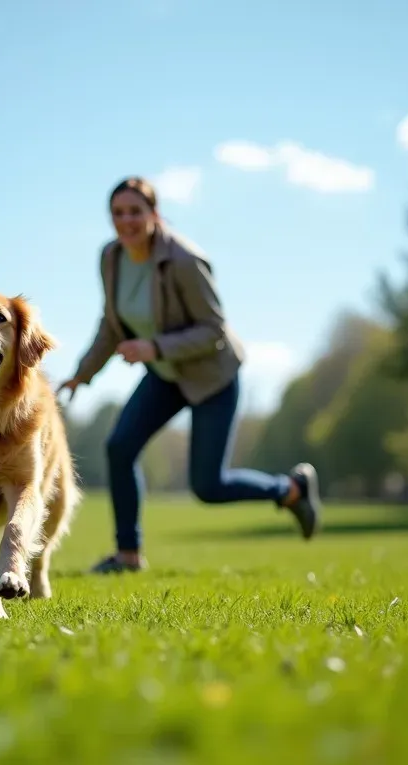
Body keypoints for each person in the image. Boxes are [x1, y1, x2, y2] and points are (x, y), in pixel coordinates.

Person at [58, 176, 322, 574]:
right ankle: (128, 555)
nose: (126, 221)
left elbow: (213, 328)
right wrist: (82, 374)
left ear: (154, 214)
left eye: (135, 211)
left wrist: (154, 347)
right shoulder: (111, 258)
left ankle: (292, 490)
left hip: (211, 376)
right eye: (118, 213)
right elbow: (112, 324)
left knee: (208, 487)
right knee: (120, 447)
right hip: (166, 375)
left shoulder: (183, 259)